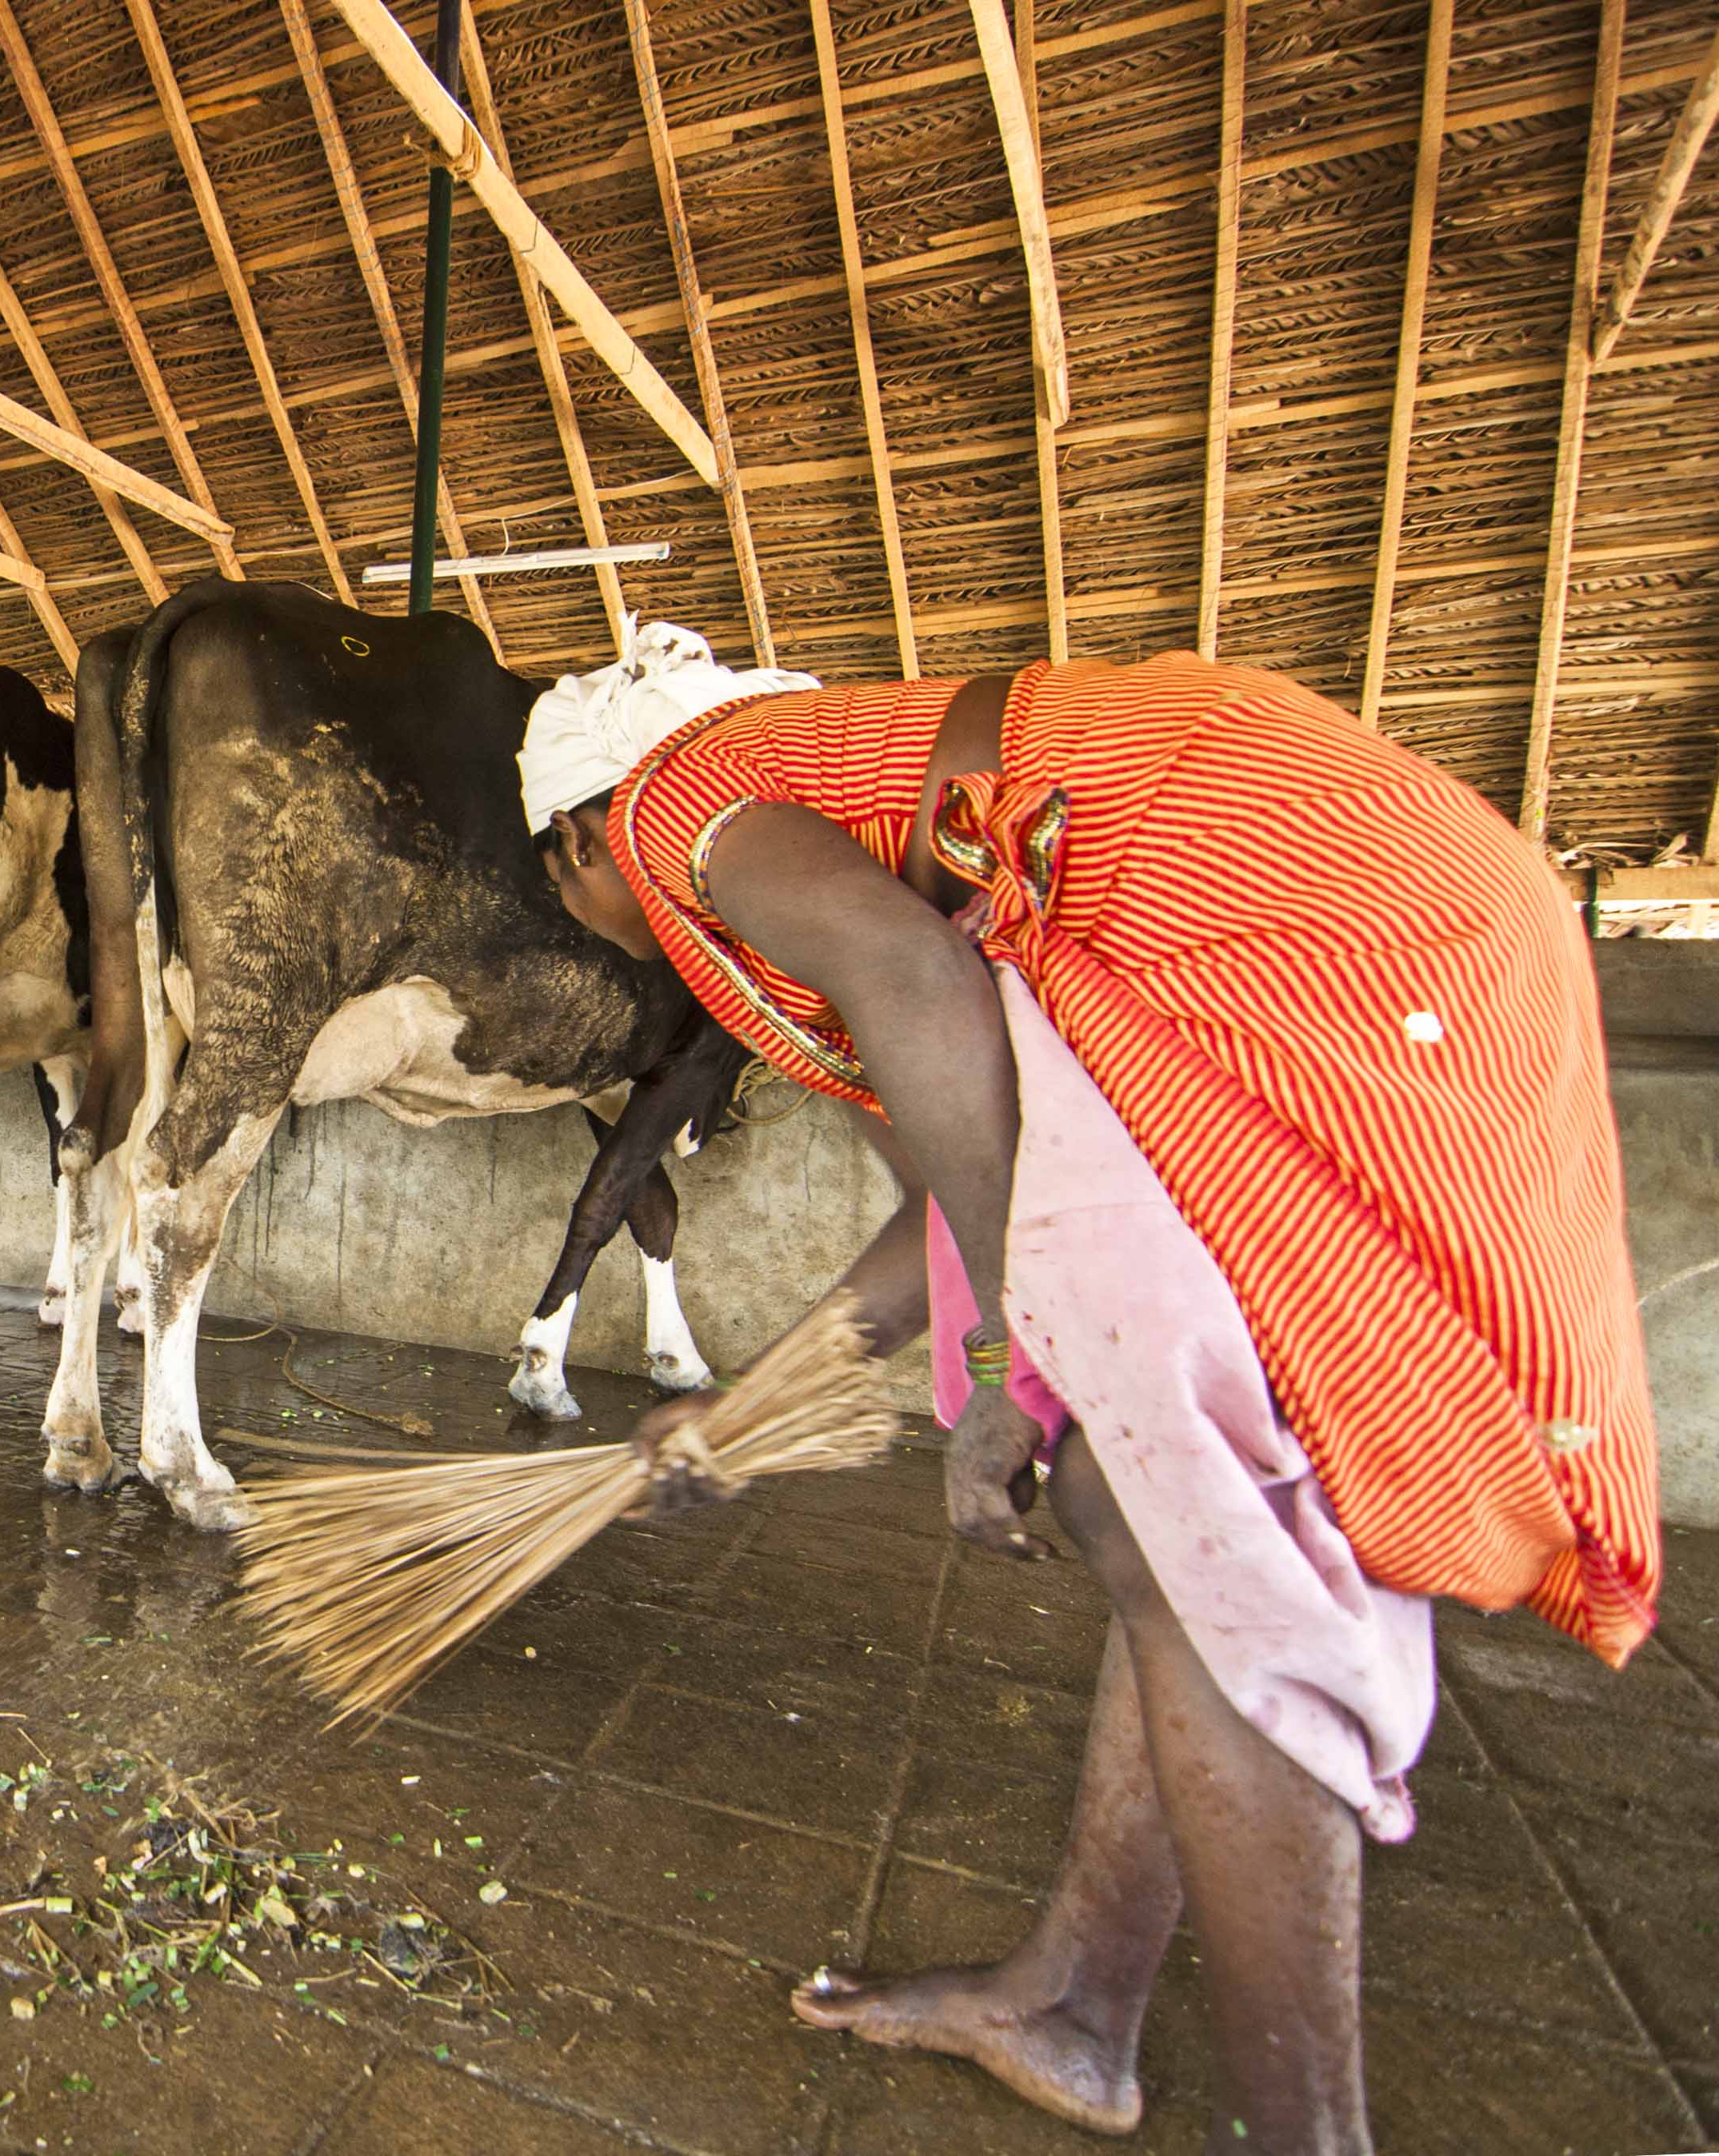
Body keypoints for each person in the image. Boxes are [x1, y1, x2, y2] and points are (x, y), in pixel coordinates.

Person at [520, 629, 1655, 2150]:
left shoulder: (679, 811)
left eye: (564, 887)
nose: (596, 924)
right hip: (1388, 886)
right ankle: (1071, 2010)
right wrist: (757, 1401)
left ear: (585, 825)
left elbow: (921, 990)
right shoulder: (833, 820)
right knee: (1157, 1513)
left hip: (1306, 906)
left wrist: (1007, 1357)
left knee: (1177, 1523)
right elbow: (944, 1180)